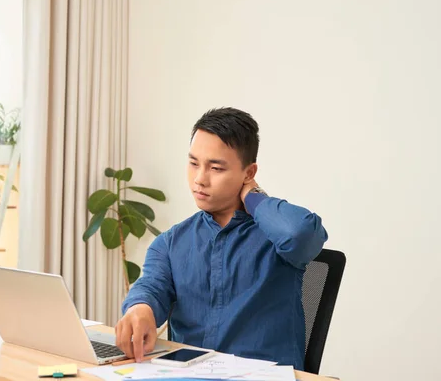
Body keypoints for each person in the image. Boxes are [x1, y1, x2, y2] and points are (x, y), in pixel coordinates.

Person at [116, 107, 328, 370]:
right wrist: (141, 308)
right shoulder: (171, 242)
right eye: (194, 163)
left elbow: (301, 234)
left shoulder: (277, 239)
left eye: (215, 168)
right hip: (188, 374)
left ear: (249, 172)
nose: (199, 179)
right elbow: (151, 287)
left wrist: (254, 197)